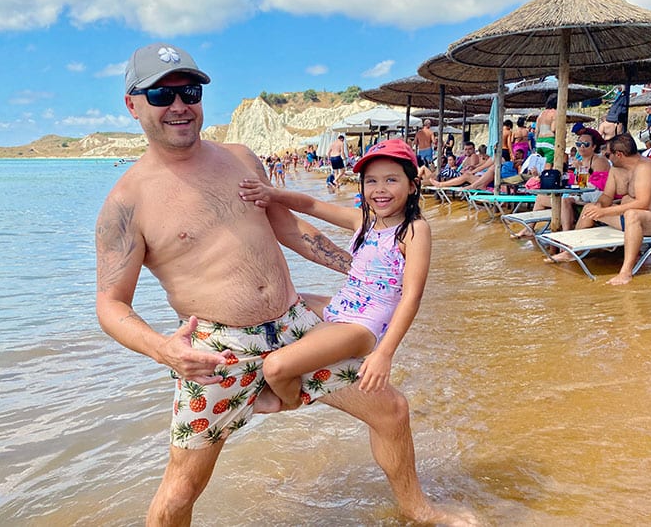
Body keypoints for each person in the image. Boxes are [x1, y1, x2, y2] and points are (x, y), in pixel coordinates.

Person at [95, 42, 473, 526]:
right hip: (217, 353)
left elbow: (291, 229)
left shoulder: (240, 159)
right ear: (132, 104)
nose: (178, 106)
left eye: (188, 91)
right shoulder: (126, 203)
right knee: (182, 487)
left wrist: (374, 274)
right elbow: (110, 303)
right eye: (160, 95)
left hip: (296, 326)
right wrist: (162, 349)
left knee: (391, 410)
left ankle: (420, 511)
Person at [237, 139, 430, 413]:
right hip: (339, 306)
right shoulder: (364, 220)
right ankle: (297, 371)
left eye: (391, 180)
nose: (380, 189)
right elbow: (312, 205)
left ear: (412, 185)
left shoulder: (414, 230)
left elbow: (412, 296)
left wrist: (384, 355)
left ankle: (290, 401)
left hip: (364, 326)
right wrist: (272, 194)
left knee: (275, 367)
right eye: (371, 181)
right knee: (276, 303)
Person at [551, 133, 651, 285]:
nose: (606, 158)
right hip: (640, 217)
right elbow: (607, 196)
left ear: (618, 154)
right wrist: (599, 206)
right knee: (589, 208)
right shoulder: (617, 170)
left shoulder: (645, 168)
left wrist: (604, 212)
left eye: (608, 154)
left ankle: (626, 272)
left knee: (632, 214)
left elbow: (642, 203)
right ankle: (571, 252)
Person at [514, 127, 610, 238]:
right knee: (541, 198)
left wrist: (580, 169)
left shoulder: (599, 161)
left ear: (594, 147)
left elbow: (597, 185)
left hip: (594, 197)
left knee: (565, 200)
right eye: (579, 144)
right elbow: (578, 182)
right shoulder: (580, 160)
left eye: (586, 144)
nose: (582, 147)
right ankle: (529, 228)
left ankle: (566, 234)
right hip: (580, 194)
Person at [535, 94, 557, 169]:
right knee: (548, 165)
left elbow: (537, 130)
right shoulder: (554, 113)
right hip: (549, 141)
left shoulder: (541, 114)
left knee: (539, 165)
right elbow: (553, 129)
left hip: (539, 141)